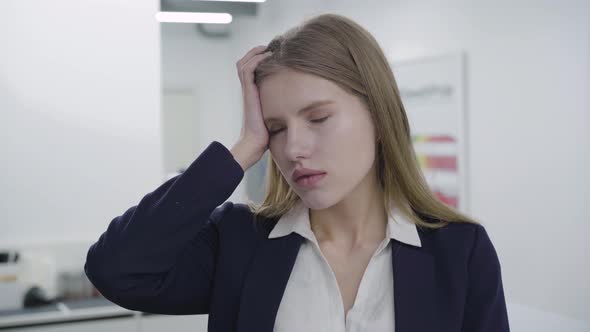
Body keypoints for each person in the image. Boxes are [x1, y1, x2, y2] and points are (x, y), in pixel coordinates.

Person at [84, 13, 510, 332]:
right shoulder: (240, 242)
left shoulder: (459, 251)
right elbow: (116, 270)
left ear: (380, 118)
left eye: (318, 118)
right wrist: (243, 149)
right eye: (275, 129)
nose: (292, 148)